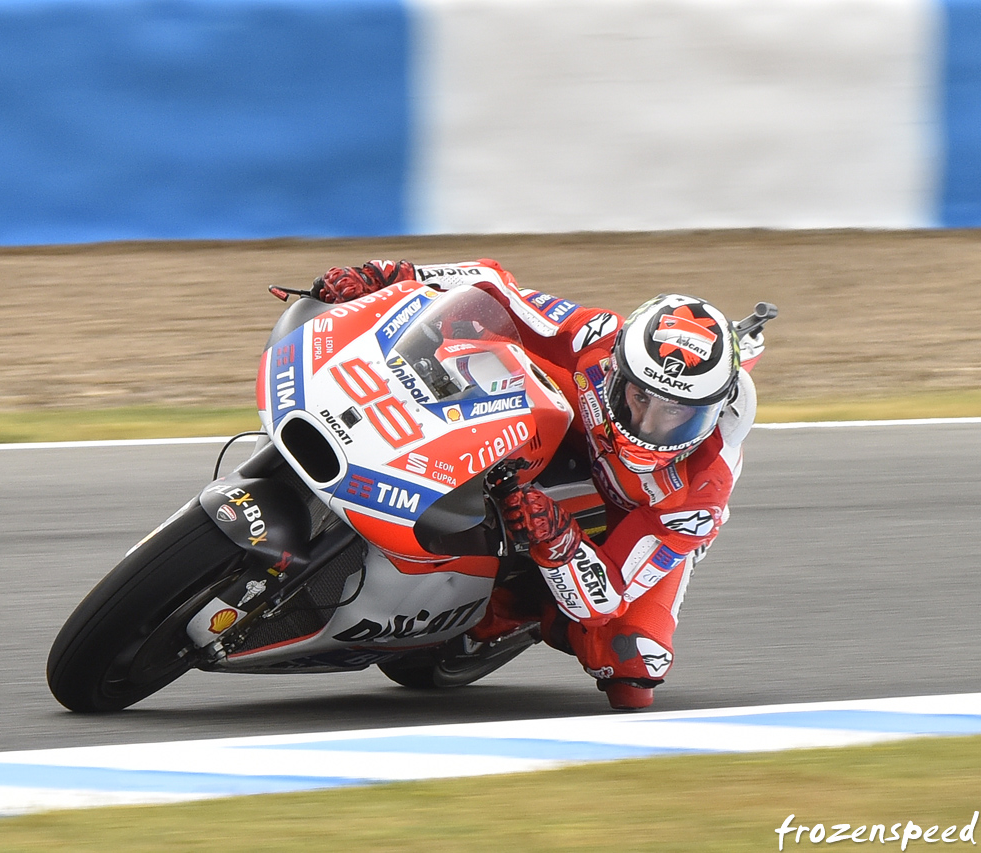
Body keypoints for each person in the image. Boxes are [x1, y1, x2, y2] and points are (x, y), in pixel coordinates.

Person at [310, 258, 765, 710]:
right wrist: (389, 275)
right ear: (617, 368)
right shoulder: (599, 338)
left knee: (633, 667)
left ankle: (511, 609)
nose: (647, 423)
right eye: (640, 396)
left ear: (712, 408)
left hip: (638, 511)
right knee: (474, 335)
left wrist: (556, 537)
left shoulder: (700, 492)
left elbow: (604, 599)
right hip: (584, 424)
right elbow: (495, 287)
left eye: (677, 413)